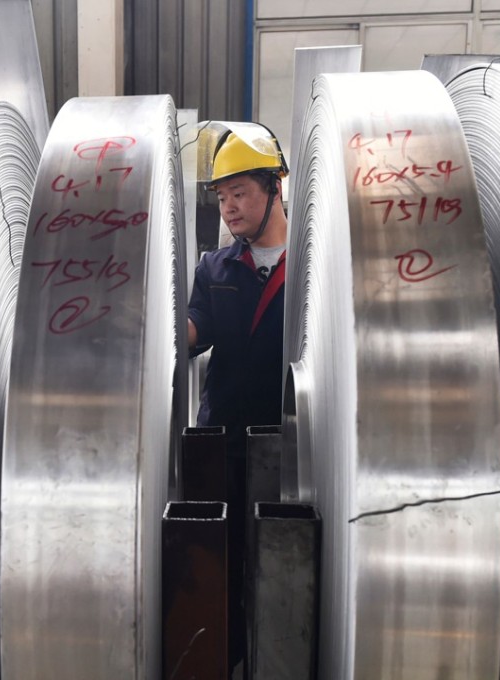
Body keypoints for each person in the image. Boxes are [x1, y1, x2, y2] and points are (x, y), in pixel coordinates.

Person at [187, 124, 288, 675]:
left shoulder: (313, 265)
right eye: (222, 197)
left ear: (275, 187)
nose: (228, 207)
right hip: (221, 444)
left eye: (240, 193)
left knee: (278, 571)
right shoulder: (215, 268)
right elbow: (195, 329)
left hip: (289, 448)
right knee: (216, 570)